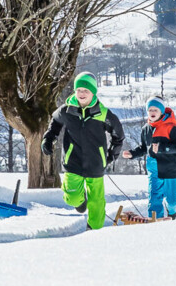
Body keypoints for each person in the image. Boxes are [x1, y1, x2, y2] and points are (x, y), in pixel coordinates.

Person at [41, 71, 123, 230]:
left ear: (93, 92)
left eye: (86, 90)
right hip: (73, 161)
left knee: (97, 201)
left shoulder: (103, 113)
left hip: (96, 163)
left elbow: (118, 134)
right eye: (79, 90)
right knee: (71, 197)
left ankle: (94, 230)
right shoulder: (66, 110)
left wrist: (112, 154)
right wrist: (48, 138)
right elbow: (54, 124)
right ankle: (80, 201)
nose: (82, 93)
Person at [121, 95, 176, 219]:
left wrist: (163, 148)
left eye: (155, 110)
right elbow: (144, 148)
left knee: (173, 201)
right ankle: (154, 222)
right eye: (150, 110)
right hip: (154, 166)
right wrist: (132, 154)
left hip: (171, 167)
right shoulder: (146, 129)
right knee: (154, 197)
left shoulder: (171, 128)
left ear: (161, 111)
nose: (152, 112)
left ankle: (173, 212)